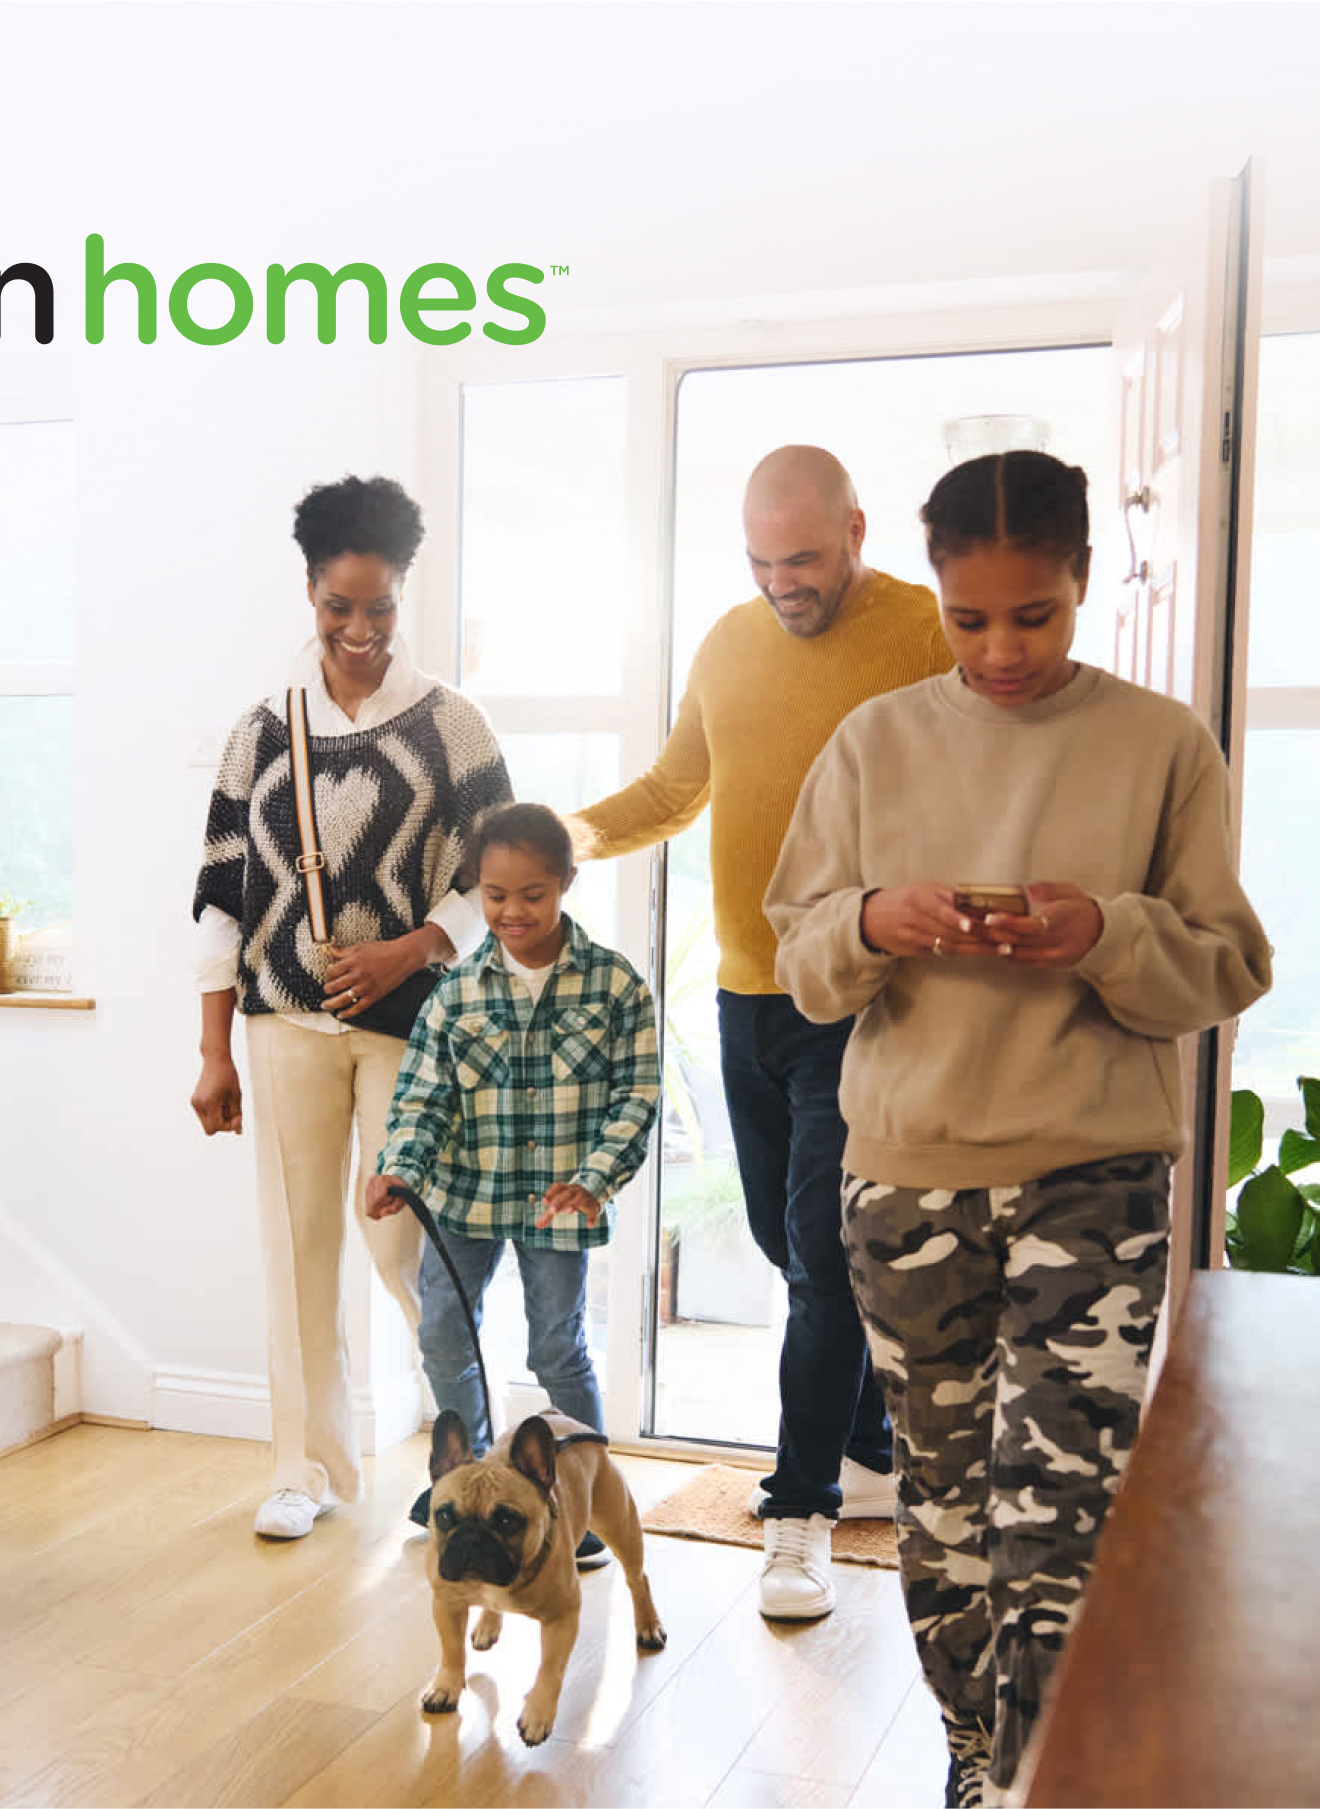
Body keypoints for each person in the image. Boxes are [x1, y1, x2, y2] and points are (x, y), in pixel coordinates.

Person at [767, 449, 1271, 1809]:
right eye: (967, 618)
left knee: (1060, 1521)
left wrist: (1103, 930)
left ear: (1082, 583)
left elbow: (1225, 965)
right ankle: (981, 1766)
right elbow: (801, 959)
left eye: (1032, 615)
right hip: (903, 1183)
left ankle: (1044, 1780)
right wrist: (874, 918)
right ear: (932, 593)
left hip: (1090, 1180)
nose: (999, 648)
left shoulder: (1159, 744)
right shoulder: (872, 743)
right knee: (942, 1516)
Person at [570, 445, 948, 1620]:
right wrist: (551, 840)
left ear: (854, 530)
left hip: (861, 997)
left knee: (824, 1257)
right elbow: (673, 788)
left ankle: (799, 1514)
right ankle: (876, 1455)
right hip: (744, 995)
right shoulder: (728, 641)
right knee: (789, 1248)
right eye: (760, 560)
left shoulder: (923, 632)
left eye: (803, 558)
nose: (782, 582)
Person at [191, 474, 514, 1541]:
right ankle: (305, 1467)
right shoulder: (260, 732)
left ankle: (472, 1459)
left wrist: (407, 949)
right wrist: (212, 1052)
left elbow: (498, 877)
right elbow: (220, 895)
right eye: (339, 606)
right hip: (280, 1022)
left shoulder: (451, 727)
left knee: (404, 1247)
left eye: (379, 607)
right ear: (308, 591)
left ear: (402, 591)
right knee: (294, 1251)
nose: (361, 629)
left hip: (406, 1023)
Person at [362, 804, 659, 1553]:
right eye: (495, 895)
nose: (512, 910)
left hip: (561, 1206)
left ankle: (580, 1503)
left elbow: (637, 1095)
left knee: (557, 1347)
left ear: (566, 882)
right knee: (442, 1334)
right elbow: (422, 1098)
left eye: (532, 893)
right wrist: (400, 1168)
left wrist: (594, 1177)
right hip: (463, 1196)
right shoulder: (455, 994)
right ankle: (468, 1490)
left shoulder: (617, 987)